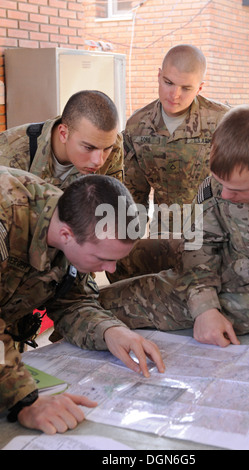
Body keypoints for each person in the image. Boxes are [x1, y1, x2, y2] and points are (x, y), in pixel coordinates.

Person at [98, 104, 249, 347]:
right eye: (218, 182)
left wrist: (206, 309)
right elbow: (199, 241)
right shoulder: (231, 170)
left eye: (237, 190)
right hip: (221, 259)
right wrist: (204, 304)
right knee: (124, 255)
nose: (224, 194)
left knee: (103, 306)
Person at [0, 168, 164, 434]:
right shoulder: (6, 213)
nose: (110, 270)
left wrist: (110, 331)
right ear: (66, 235)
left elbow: (72, 302)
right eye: (103, 258)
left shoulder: (72, 221)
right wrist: (25, 399)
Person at [109, 44, 230, 282]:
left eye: (186, 88)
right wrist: (123, 245)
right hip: (164, 236)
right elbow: (134, 197)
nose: (175, 95)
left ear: (200, 87)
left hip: (214, 237)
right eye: (168, 83)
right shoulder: (138, 126)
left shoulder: (223, 123)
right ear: (158, 76)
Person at [0, 90, 124, 189]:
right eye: (88, 147)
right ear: (63, 133)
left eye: (107, 148)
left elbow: (112, 207)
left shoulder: (113, 144)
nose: (99, 161)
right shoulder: (10, 153)